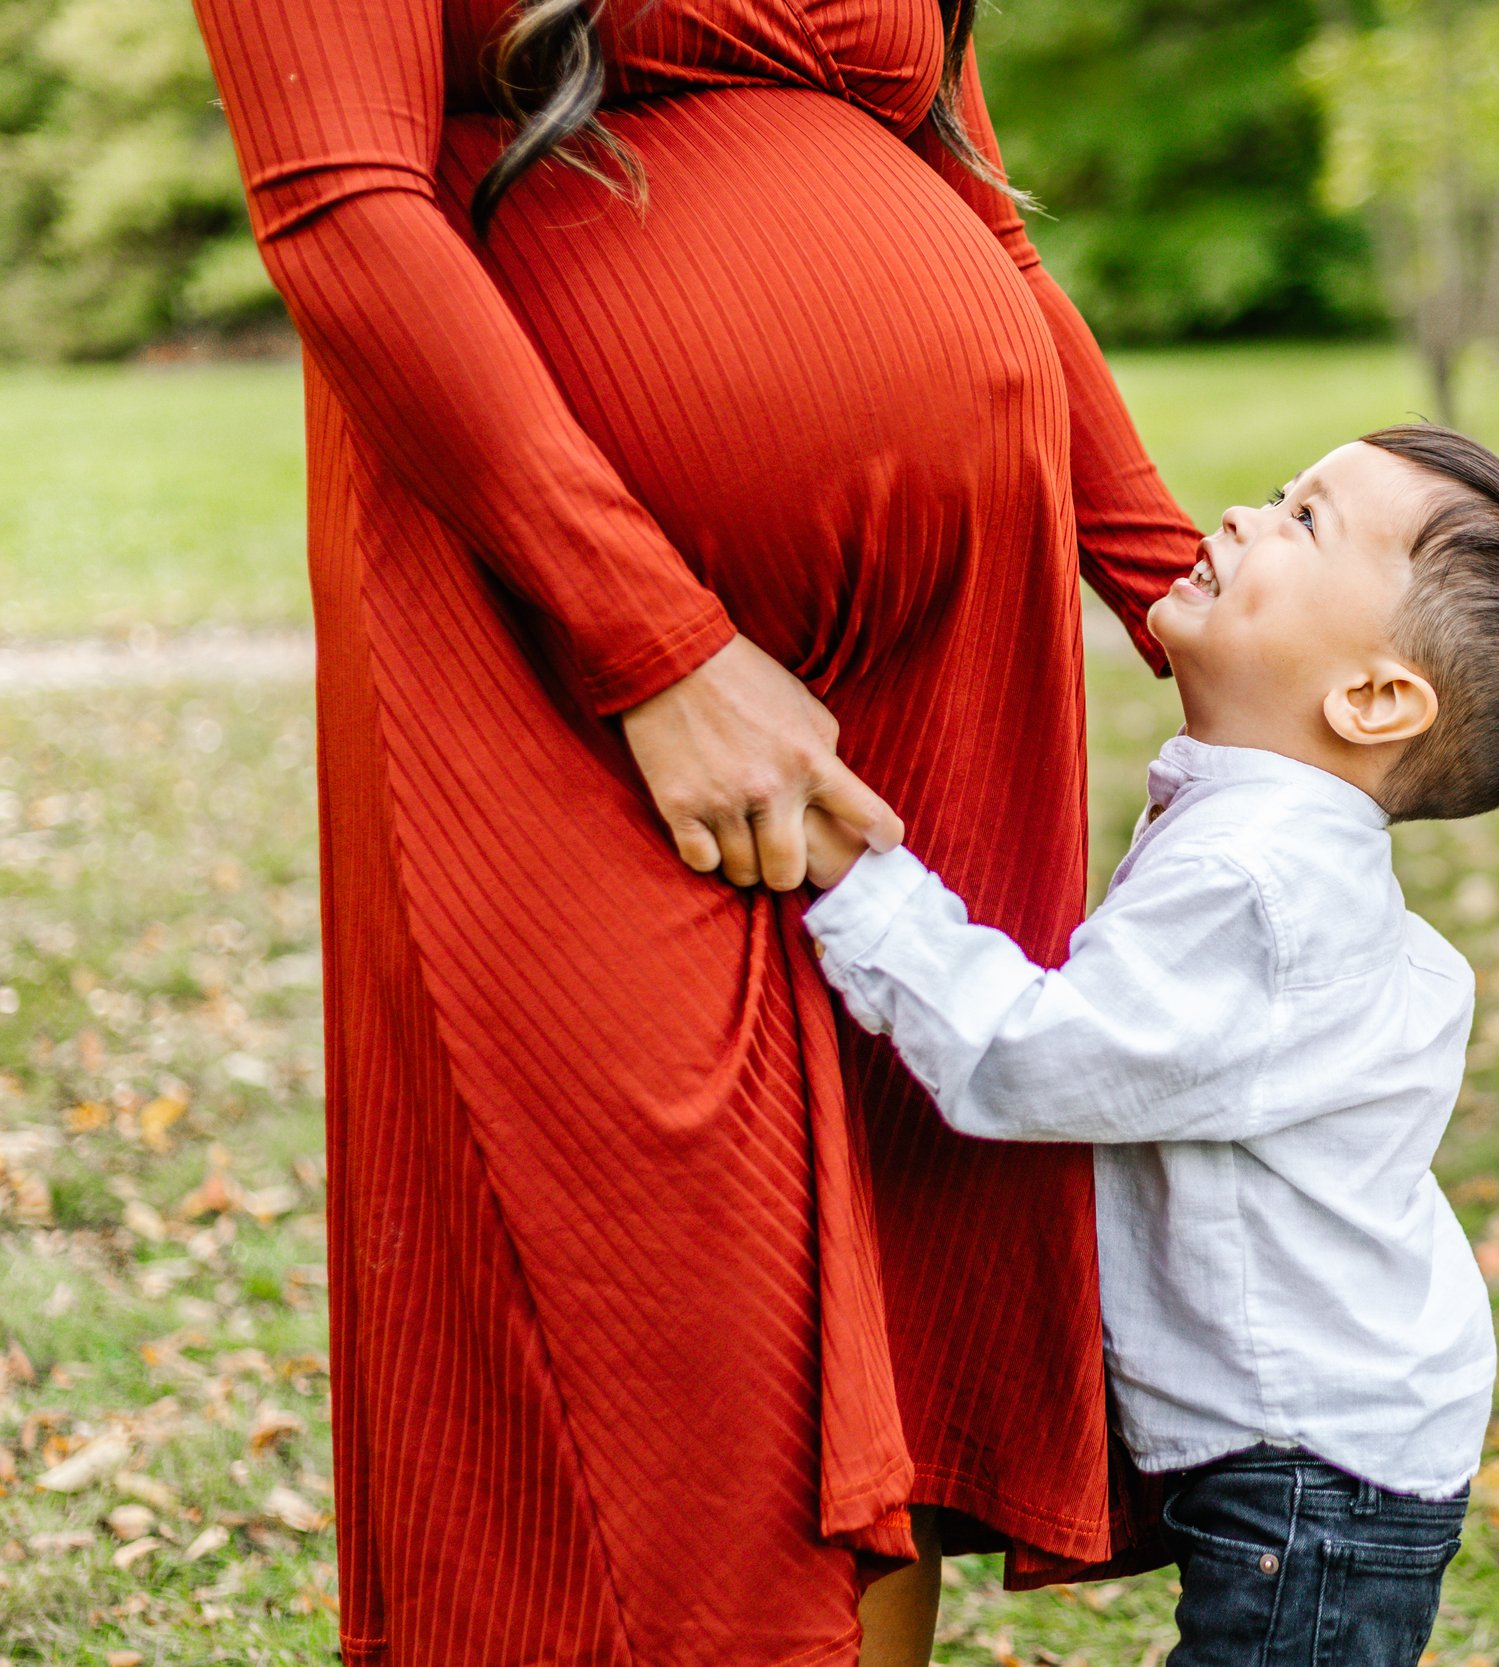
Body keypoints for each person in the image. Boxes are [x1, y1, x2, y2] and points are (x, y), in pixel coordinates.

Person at [189, 2, 1201, 1661]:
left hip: (947, 664)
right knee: (667, 1330)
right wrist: (654, 645)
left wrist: (1191, 606)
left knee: (889, 1294)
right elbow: (342, 208)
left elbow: (968, 199)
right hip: (545, 642)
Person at [805, 425, 1499, 1667]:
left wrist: (857, 881)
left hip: (1316, 1469)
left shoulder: (1260, 882)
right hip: (1332, 1444)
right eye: (1277, 492)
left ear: (1371, 699)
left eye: (1302, 523)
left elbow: (1024, 1058)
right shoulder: (1266, 836)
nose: (1239, 516)